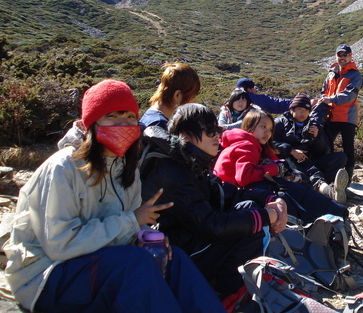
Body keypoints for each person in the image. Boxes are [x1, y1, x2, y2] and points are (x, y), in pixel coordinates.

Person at [2, 79, 224, 313]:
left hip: (97, 264)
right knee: (134, 263)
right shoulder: (63, 167)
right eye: (112, 117)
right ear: (92, 123)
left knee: (172, 257)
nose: (124, 124)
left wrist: (144, 235)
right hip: (44, 276)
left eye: (129, 117)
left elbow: (122, 226)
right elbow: (60, 245)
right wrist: (132, 222)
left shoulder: (124, 168)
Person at [140, 103, 287, 298]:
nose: (217, 136)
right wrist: (266, 216)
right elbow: (211, 226)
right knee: (253, 226)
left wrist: (271, 199)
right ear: (184, 135)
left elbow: (226, 192)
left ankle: (226, 288)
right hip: (174, 255)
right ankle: (223, 295)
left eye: (217, 129)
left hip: (189, 239)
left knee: (250, 208)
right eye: (210, 131)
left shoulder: (190, 160)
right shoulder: (174, 172)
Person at [214, 109, 347, 224]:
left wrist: (285, 171)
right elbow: (244, 178)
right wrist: (275, 169)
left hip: (230, 192)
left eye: (270, 129)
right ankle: (331, 214)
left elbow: (275, 162)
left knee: (295, 183)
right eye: (263, 127)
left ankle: (329, 210)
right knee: (287, 191)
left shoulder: (254, 145)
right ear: (250, 126)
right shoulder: (247, 145)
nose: (267, 132)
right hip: (229, 195)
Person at [273, 92, 349, 202]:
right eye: (300, 109)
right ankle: (328, 191)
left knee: (340, 157)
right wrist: (291, 150)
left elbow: (325, 150)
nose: (303, 113)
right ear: (292, 109)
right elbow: (270, 143)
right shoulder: (279, 122)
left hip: (309, 160)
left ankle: (330, 187)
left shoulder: (313, 124)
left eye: (306, 110)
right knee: (310, 172)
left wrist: (318, 137)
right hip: (289, 161)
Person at [321, 44, 363, 180]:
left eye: (345, 54)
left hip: (347, 118)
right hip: (331, 117)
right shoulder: (330, 74)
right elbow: (324, 91)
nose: (342, 57)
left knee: (348, 148)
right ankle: (329, 174)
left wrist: (330, 99)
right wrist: (323, 100)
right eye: (339, 55)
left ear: (350, 56)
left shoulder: (355, 75)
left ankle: (348, 179)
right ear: (336, 56)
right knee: (325, 146)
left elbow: (350, 95)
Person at [140, 62, 201, 130]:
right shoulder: (159, 125)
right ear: (177, 95)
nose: (195, 102)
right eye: (192, 97)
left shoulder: (151, 116)